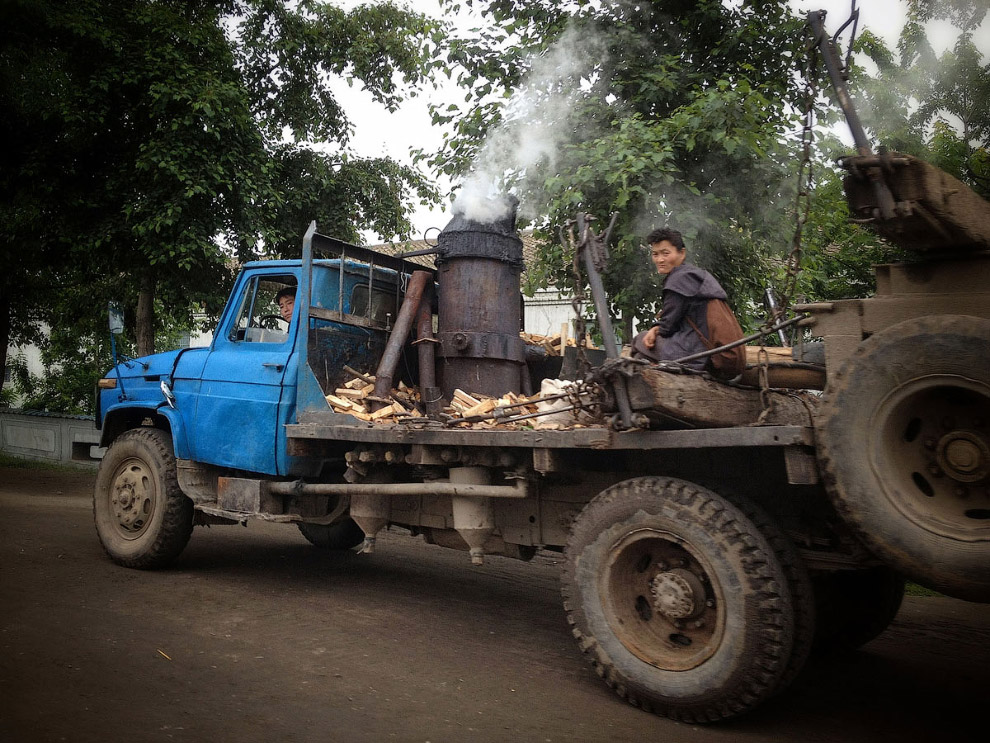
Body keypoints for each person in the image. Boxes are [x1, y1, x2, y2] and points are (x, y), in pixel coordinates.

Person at [632, 228, 733, 371]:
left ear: (682, 253)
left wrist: (656, 329)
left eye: (665, 253)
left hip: (695, 355)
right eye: (655, 254)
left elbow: (667, 327)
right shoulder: (694, 275)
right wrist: (657, 328)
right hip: (707, 352)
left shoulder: (679, 279)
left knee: (639, 340)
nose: (660, 259)